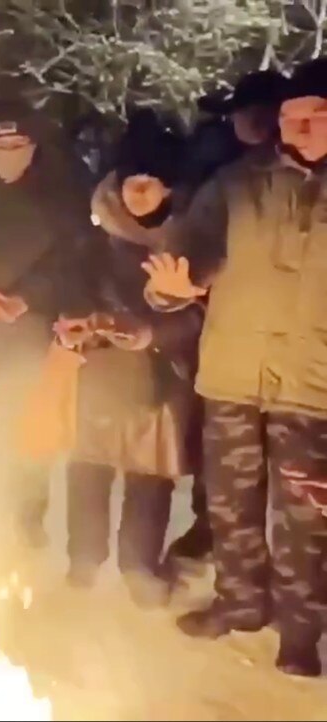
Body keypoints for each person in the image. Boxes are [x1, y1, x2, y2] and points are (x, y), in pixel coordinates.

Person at [143, 57, 327, 676]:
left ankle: (302, 632)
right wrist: (175, 284)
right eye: (290, 116)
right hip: (232, 372)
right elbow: (188, 256)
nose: (298, 127)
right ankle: (242, 604)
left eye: (314, 116)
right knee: (230, 504)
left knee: (306, 519)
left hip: (315, 381)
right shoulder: (237, 184)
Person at [61, 111, 202, 607]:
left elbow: (205, 315)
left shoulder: (190, 241)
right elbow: (72, 294)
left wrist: (153, 332)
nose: (138, 193)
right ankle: (83, 557)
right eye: (130, 182)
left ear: (169, 188)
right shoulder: (95, 243)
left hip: (164, 377)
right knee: (89, 467)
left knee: (148, 476)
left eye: (150, 183)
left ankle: (139, 564)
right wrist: (77, 324)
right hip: (101, 372)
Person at [163, 69, 287, 574]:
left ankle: (293, 577)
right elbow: (189, 234)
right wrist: (185, 282)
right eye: (243, 114)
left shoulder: (298, 172)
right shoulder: (216, 168)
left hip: (295, 337)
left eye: (261, 114)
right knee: (224, 446)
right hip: (220, 325)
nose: (250, 124)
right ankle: (212, 527)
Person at [0, 98, 94, 549]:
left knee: (29, 429)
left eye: (18, 143)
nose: (9, 151)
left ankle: (27, 523)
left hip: (34, 329)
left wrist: (28, 298)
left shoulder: (61, 192)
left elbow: (74, 260)